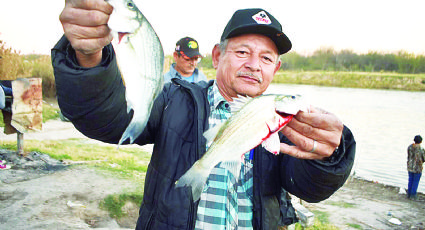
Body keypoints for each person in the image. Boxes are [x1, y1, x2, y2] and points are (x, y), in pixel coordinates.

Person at [53, 2, 356, 229]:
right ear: (217, 56)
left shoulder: (282, 118)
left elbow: (308, 186)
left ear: (275, 69)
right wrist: (87, 58)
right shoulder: (173, 99)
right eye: (242, 52)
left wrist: (330, 155)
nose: (254, 65)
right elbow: (103, 118)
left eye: (266, 58)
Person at [407, 135, 425, 200]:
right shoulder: (421, 149)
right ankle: (413, 195)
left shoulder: (410, 147)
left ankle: (408, 194)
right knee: (415, 182)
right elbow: (424, 158)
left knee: (410, 180)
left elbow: (409, 156)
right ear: (421, 141)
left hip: (410, 166)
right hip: (417, 168)